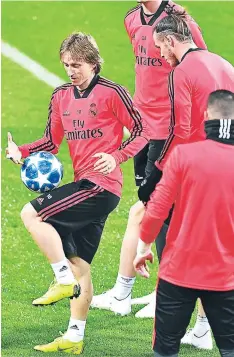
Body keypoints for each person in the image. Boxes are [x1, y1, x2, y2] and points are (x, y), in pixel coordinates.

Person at [93, 8, 234, 350]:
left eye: (160, 48)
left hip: (196, 163)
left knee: (162, 222)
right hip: (225, 162)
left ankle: (138, 292)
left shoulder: (181, 71)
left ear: (171, 41)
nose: (158, 55)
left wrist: (159, 170)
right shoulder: (222, 63)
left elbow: (180, 129)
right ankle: (202, 328)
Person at [6, 32, 149, 354]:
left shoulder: (113, 92)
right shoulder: (60, 96)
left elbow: (143, 130)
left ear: (94, 63)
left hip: (101, 185)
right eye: (67, 65)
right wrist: (22, 151)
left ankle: (61, 279)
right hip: (86, 184)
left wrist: (117, 156)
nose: (71, 71)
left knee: (32, 213)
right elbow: (50, 142)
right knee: (79, 263)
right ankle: (74, 336)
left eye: (77, 65)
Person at [134, 89, 234, 357]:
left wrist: (143, 247)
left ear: (205, 116)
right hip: (226, 278)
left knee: (166, 350)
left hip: (178, 273)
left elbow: (155, 210)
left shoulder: (183, 156)